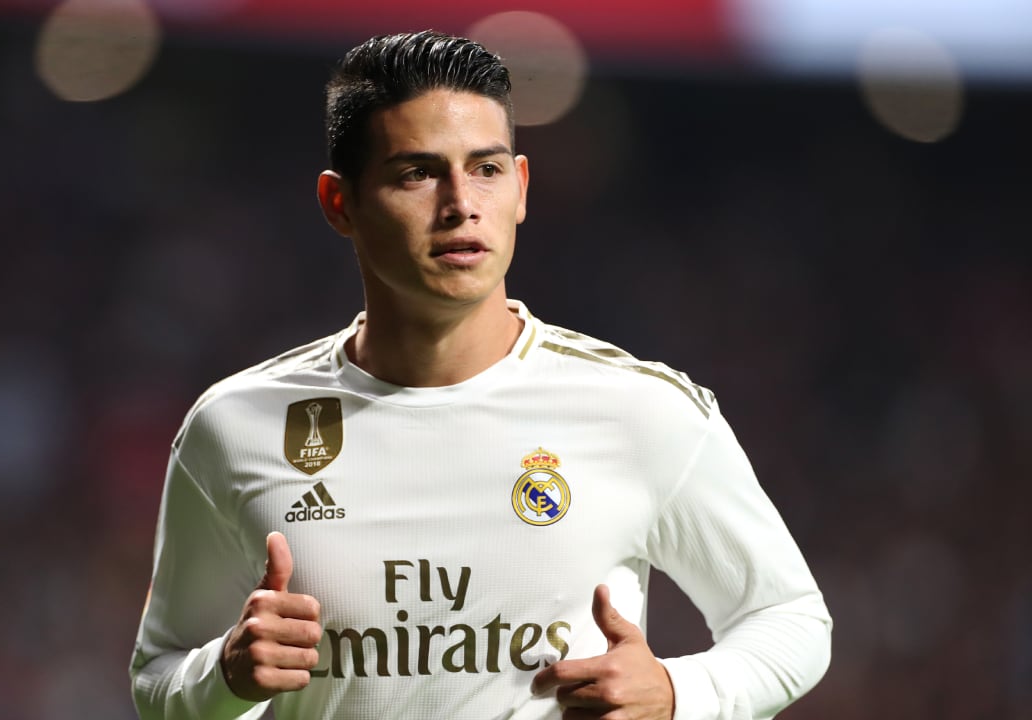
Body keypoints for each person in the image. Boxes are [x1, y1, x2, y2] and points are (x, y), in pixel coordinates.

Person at [130, 30, 831, 720]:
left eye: (486, 169)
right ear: (339, 203)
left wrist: (681, 694)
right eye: (417, 172)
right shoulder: (236, 425)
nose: (461, 202)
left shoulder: (640, 410)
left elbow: (792, 618)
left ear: (520, 188)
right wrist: (222, 676)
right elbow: (157, 674)